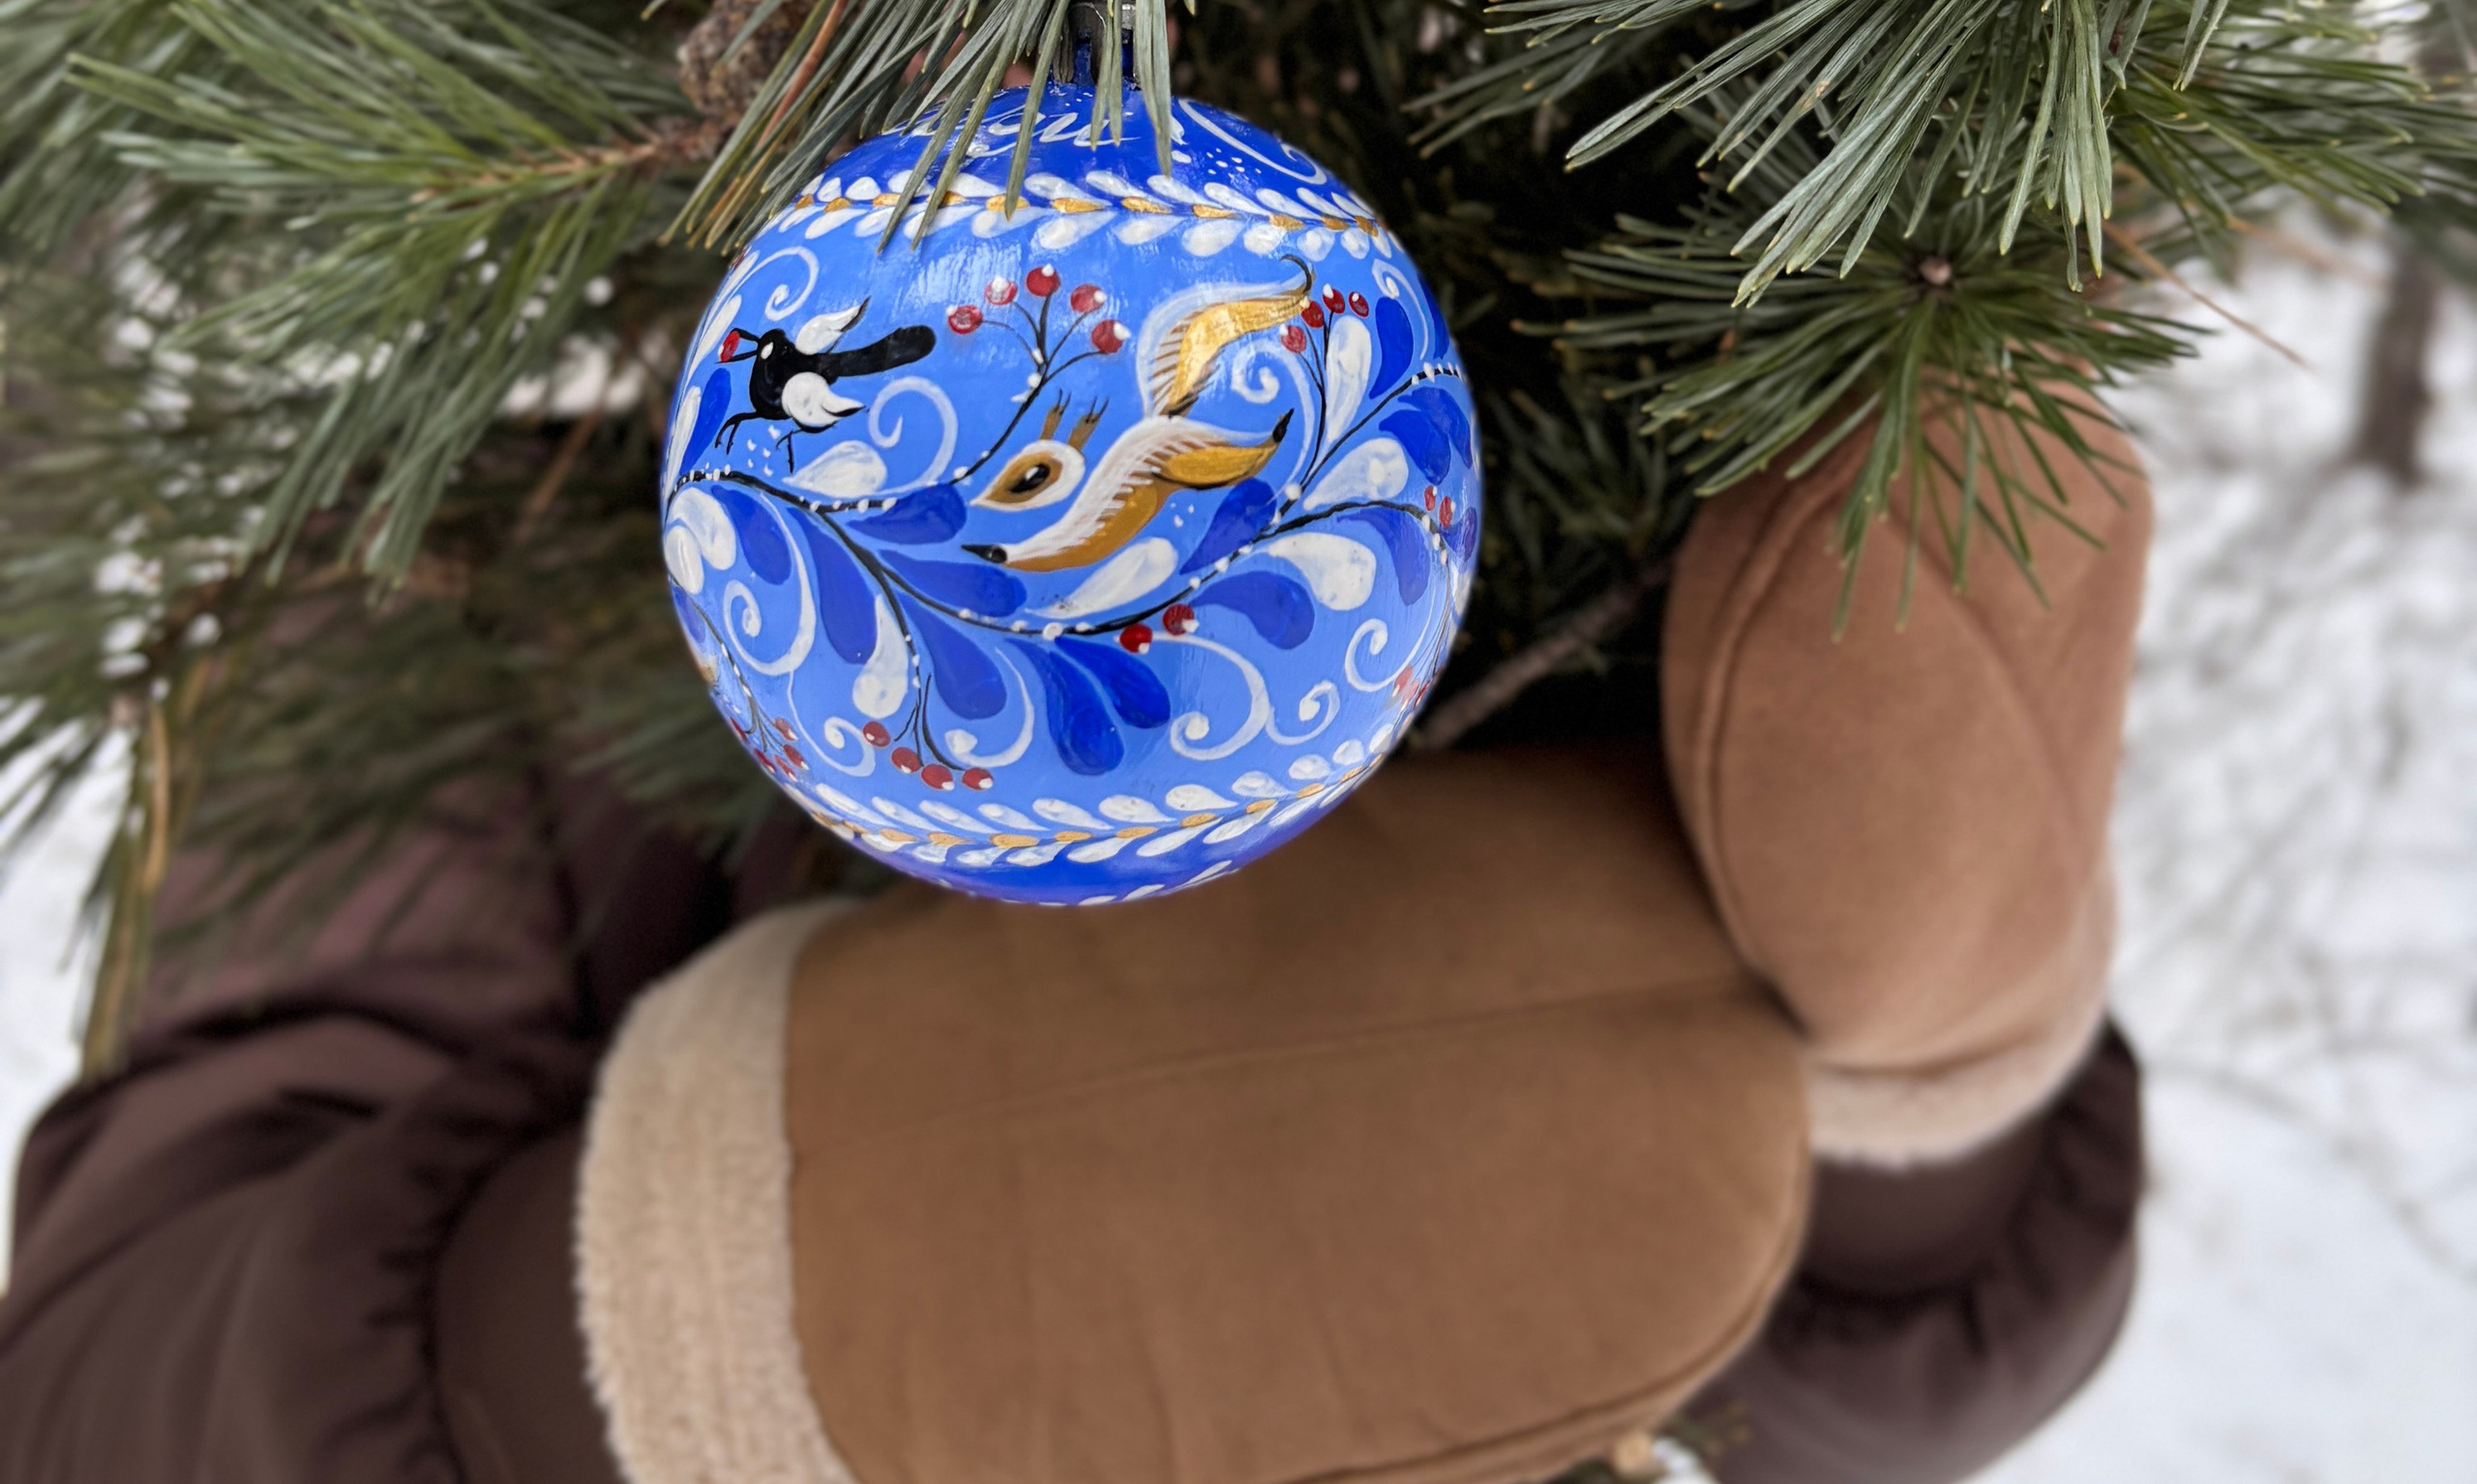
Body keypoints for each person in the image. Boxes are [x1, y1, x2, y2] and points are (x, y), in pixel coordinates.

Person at [0, 421, 2148, 1484]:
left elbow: (1772, 1388)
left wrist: (1932, 1074)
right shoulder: (442, 572)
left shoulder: (1538, 426)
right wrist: (739, 1316)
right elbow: (109, 1383)